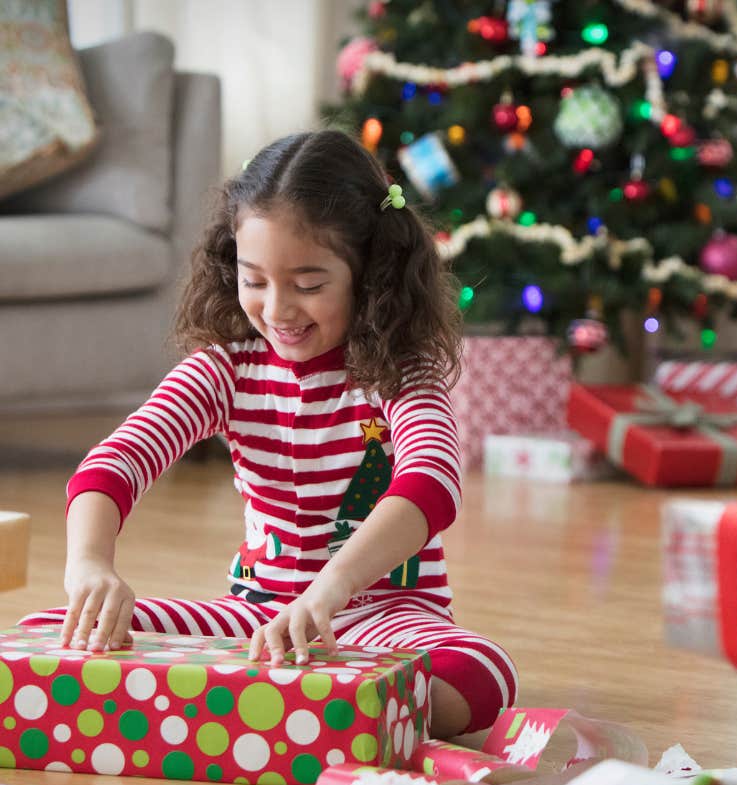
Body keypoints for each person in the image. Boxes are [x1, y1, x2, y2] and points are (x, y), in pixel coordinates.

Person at [20, 129, 518, 738]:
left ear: (371, 273)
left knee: (479, 673)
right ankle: (307, 712)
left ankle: (251, 710)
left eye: (309, 285)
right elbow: (117, 461)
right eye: (254, 280)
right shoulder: (225, 367)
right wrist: (89, 565)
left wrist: (329, 591)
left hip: (382, 616)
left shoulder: (399, 373)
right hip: (253, 615)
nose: (278, 309)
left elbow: (432, 482)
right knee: (50, 629)